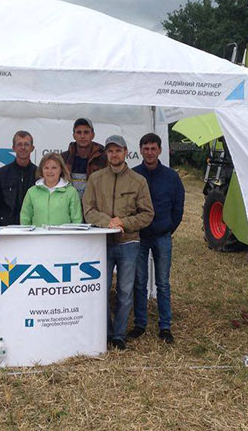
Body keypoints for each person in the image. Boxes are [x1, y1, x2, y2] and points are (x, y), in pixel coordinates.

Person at [82, 135, 154, 350]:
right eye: (111, 150)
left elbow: (147, 214)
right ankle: (105, 332)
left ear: (126, 152)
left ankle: (119, 335)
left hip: (129, 243)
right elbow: (88, 210)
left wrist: (123, 222)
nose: (114, 154)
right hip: (101, 243)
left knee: (125, 291)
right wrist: (109, 223)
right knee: (100, 291)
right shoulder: (95, 179)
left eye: (118, 150)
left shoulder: (138, 181)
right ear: (106, 153)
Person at [129, 133, 185, 344]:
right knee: (139, 282)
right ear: (140, 150)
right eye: (146, 148)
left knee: (162, 283)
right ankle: (140, 324)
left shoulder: (171, 177)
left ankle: (165, 326)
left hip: (162, 236)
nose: (150, 152)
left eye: (153, 148)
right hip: (140, 236)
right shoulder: (134, 175)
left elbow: (178, 206)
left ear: (160, 150)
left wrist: (169, 228)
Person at [19, 152, 83, 226]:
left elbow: (77, 220)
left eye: (54, 168)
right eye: (46, 168)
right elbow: (25, 219)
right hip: (38, 234)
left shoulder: (71, 192)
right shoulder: (32, 192)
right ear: (41, 170)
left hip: (63, 234)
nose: (50, 171)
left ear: (61, 169)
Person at [0, 130, 37, 226]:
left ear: (32, 148)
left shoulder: (39, 174)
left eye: (26, 144)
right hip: (6, 229)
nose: (23, 147)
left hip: (32, 228)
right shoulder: (1, 174)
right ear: (13, 148)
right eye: (19, 144)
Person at [61, 118, 106, 198]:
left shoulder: (104, 158)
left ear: (93, 135)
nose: (82, 136)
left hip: (94, 204)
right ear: (74, 136)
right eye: (79, 132)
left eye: (86, 132)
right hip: (69, 204)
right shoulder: (63, 158)